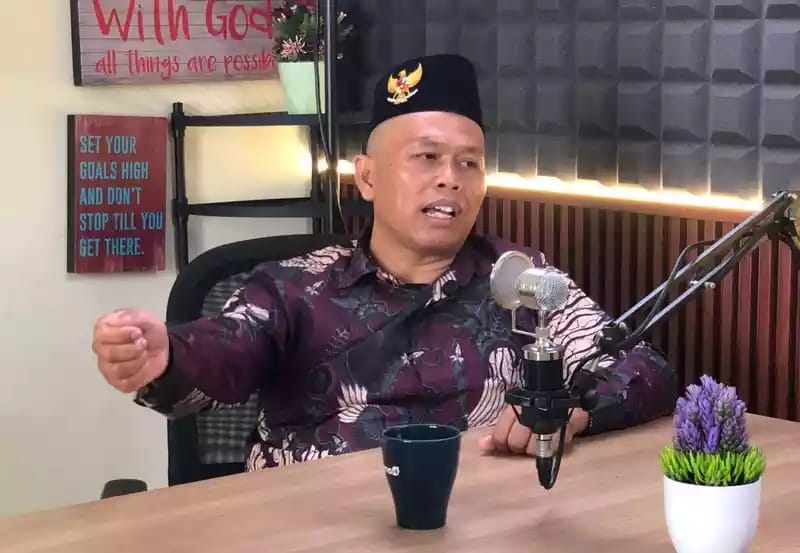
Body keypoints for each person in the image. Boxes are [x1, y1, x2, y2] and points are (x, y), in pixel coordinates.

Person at [92, 54, 677, 470]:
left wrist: (574, 411)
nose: (450, 178)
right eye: (426, 157)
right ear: (368, 178)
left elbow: (643, 368)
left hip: (483, 525)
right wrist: (166, 355)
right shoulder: (296, 287)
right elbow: (224, 353)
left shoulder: (518, 277)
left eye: (469, 163)